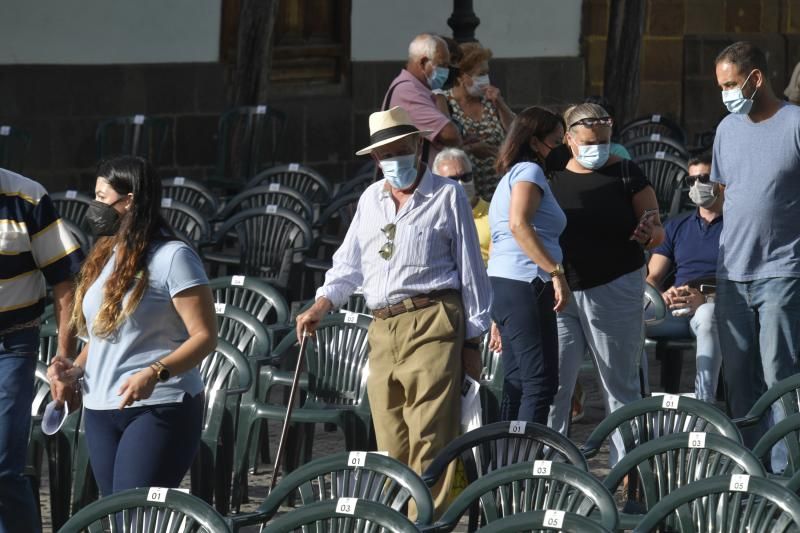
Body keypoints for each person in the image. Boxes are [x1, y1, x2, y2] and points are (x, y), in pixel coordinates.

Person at [295, 106, 491, 516]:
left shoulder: (447, 195)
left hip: (434, 317)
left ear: (419, 146)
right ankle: (402, 517)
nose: (393, 160)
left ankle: (427, 522)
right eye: (385, 154)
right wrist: (320, 304)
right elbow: (348, 266)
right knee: (391, 436)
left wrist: (472, 339)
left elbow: (472, 271)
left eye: (401, 149)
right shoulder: (370, 199)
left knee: (430, 435)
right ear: (374, 159)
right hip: (382, 326)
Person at [47, 156, 217, 497]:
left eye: (102, 196)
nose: (95, 206)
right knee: (118, 516)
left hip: (159, 405)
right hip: (100, 408)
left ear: (130, 200)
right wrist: (73, 370)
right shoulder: (105, 254)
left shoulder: (173, 256)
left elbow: (205, 337)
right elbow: (102, 337)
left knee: (134, 514)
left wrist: (155, 372)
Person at [547, 103, 664, 463]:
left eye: (604, 140)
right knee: (555, 388)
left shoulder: (627, 172)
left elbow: (657, 230)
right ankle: (549, 470)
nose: (597, 147)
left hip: (614, 286)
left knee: (619, 385)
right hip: (562, 291)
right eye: (588, 141)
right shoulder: (549, 174)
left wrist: (649, 233)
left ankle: (627, 469)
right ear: (568, 139)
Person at [711, 41, 800, 446]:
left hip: (782, 269)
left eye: (731, 84)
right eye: (721, 86)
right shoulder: (726, 129)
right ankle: (750, 471)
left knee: (780, 375)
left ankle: (787, 473)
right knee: (740, 380)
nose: (725, 94)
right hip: (732, 271)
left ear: (756, 78)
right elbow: (727, 191)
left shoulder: (795, 123)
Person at [0, 168, 83, 533]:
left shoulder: (27, 197)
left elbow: (66, 283)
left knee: (2, 464)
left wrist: (64, 357)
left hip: (11, 343)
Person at [487, 107, 569, 424]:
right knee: (539, 384)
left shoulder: (508, 178)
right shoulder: (529, 173)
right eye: (555, 141)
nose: (560, 148)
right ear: (535, 142)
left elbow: (499, 240)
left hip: (506, 284)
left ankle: (506, 464)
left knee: (519, 382)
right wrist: (555, 272)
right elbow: (519, 225)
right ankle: (522, 467)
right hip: (527, 282)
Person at [645, 152, 723, 402]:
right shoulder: (676, 225)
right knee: (626, 317)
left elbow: (745, 281)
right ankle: (636, 399)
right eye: (691, 181)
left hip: (715, 306)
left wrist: (706, 298)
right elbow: (653, 277)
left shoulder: (738, 226)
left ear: (722, 181)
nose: (698, 185)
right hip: (674, 306)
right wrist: (661, 295)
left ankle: (704, 403)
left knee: (708, 315)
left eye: (705, 178)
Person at [443, 42, 515, 200]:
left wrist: (500, 103)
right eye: (480, 74)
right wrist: (470, 149)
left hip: (499, 193)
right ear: (462, 76)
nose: (485, 79)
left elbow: (516, 131)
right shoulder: (445, 103)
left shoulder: (490, 101)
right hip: (466, 195)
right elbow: (443, 148)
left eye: (487, 73)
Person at [383, 34, 462, 164]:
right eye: (442, 65)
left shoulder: (419, 89)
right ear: (424, 62)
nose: (446, 71)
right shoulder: (408, 92)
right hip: (418, 179)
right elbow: (451, 135)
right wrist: (440, 96)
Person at [432, 148, 490, 264]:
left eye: (466, 177)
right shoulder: (433, 218)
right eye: (452, 180)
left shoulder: (494, 213)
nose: (461, 184)